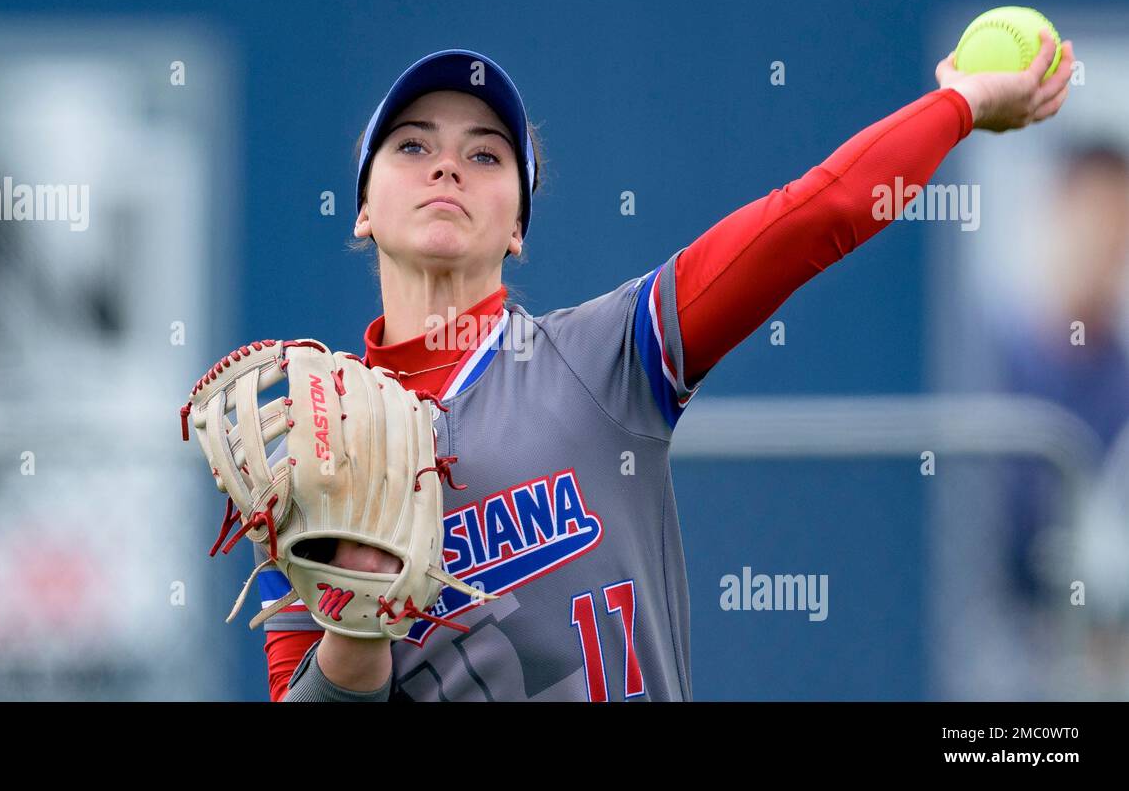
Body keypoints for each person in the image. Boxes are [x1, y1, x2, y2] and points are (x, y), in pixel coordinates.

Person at [257, 38, 1076, 701]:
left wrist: (961, 104)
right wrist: (354, 626)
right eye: (412, 146)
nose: (447, 168)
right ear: (362, 209)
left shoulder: (603, 358)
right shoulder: (318, 452)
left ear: (518, 226)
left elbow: (811, 217)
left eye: (485, 155)